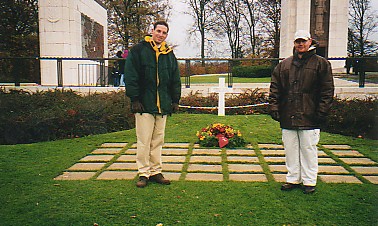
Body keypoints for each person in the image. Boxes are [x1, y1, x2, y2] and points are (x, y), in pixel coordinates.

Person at [269, 30, 334, 194]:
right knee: (290, 149)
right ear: (294, 43)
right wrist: (274, 107)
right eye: (297, 41)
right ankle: (293, 179)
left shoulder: (321, 63)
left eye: (303, 41)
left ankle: (309, 181)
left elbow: (327, 91)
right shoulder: (284, 65)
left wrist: (322, 111)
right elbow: (275, 89)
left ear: (310, 41)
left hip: (310, 115)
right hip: (288, 114)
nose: (300, 44)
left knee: (308, 149)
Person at [124, 21, 181, 188]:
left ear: (166, 35)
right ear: (152, 31)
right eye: (158, 31)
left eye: (164, 33)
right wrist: (134, 98)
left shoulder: (169, 54)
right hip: (144, 104)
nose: (161, 35)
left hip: (162, 105)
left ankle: (156, 171)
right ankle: (143, 172)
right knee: (144, 140)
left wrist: (175, 100)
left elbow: (175, 79)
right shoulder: (138, 50)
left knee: (158, 140)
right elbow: (131, 76)